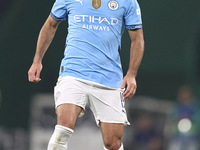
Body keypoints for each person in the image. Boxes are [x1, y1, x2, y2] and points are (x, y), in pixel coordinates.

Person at [28, 0, 144, 149]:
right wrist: (37, 60)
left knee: (113, 144)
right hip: (73, 73)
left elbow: (137, 38)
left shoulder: (128, 2)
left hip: (109, 78)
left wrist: (131, 74)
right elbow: (51, 24)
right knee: (62, 130)